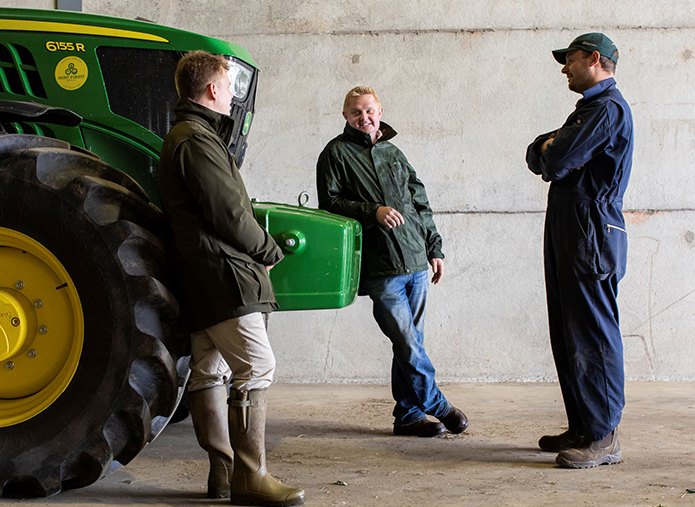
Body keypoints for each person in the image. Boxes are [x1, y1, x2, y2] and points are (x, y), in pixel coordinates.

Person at [159, 50, 305, 506]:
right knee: (257, 367)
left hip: (199, 273)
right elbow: (229, 212)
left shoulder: (187, 135)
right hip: (222, 273)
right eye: (229, 85)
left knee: (209, 368)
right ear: (214, 90)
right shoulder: (197, 140)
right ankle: (250, 476)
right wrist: (267, 250)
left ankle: (222, 473)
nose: (233, 96)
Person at [316, 86, 468, 438]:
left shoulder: (393, 152)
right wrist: (373, 211)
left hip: (415, 260)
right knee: (407, 341)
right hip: (380, 265)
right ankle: (438, 404)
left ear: (380, 111)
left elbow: (420, 203)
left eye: (368, 110)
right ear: (345, 116)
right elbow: (330, 204)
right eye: (356, 112)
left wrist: (435, 248)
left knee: (410, 342)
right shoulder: (335, 154)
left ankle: (409, 416)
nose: (363, 117)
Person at [525, 33, 634, 469]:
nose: (563, 68)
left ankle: (604, 436)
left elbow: (553, 161)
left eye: (568, 60)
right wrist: (551, 148)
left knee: (592, 333)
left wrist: (553, 148)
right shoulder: (587, 111)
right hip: (571, 228)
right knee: (568, 331)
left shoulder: (606, 109)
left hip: (590, 230)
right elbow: (538, 153)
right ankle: (584, 426)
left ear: (594, 59)